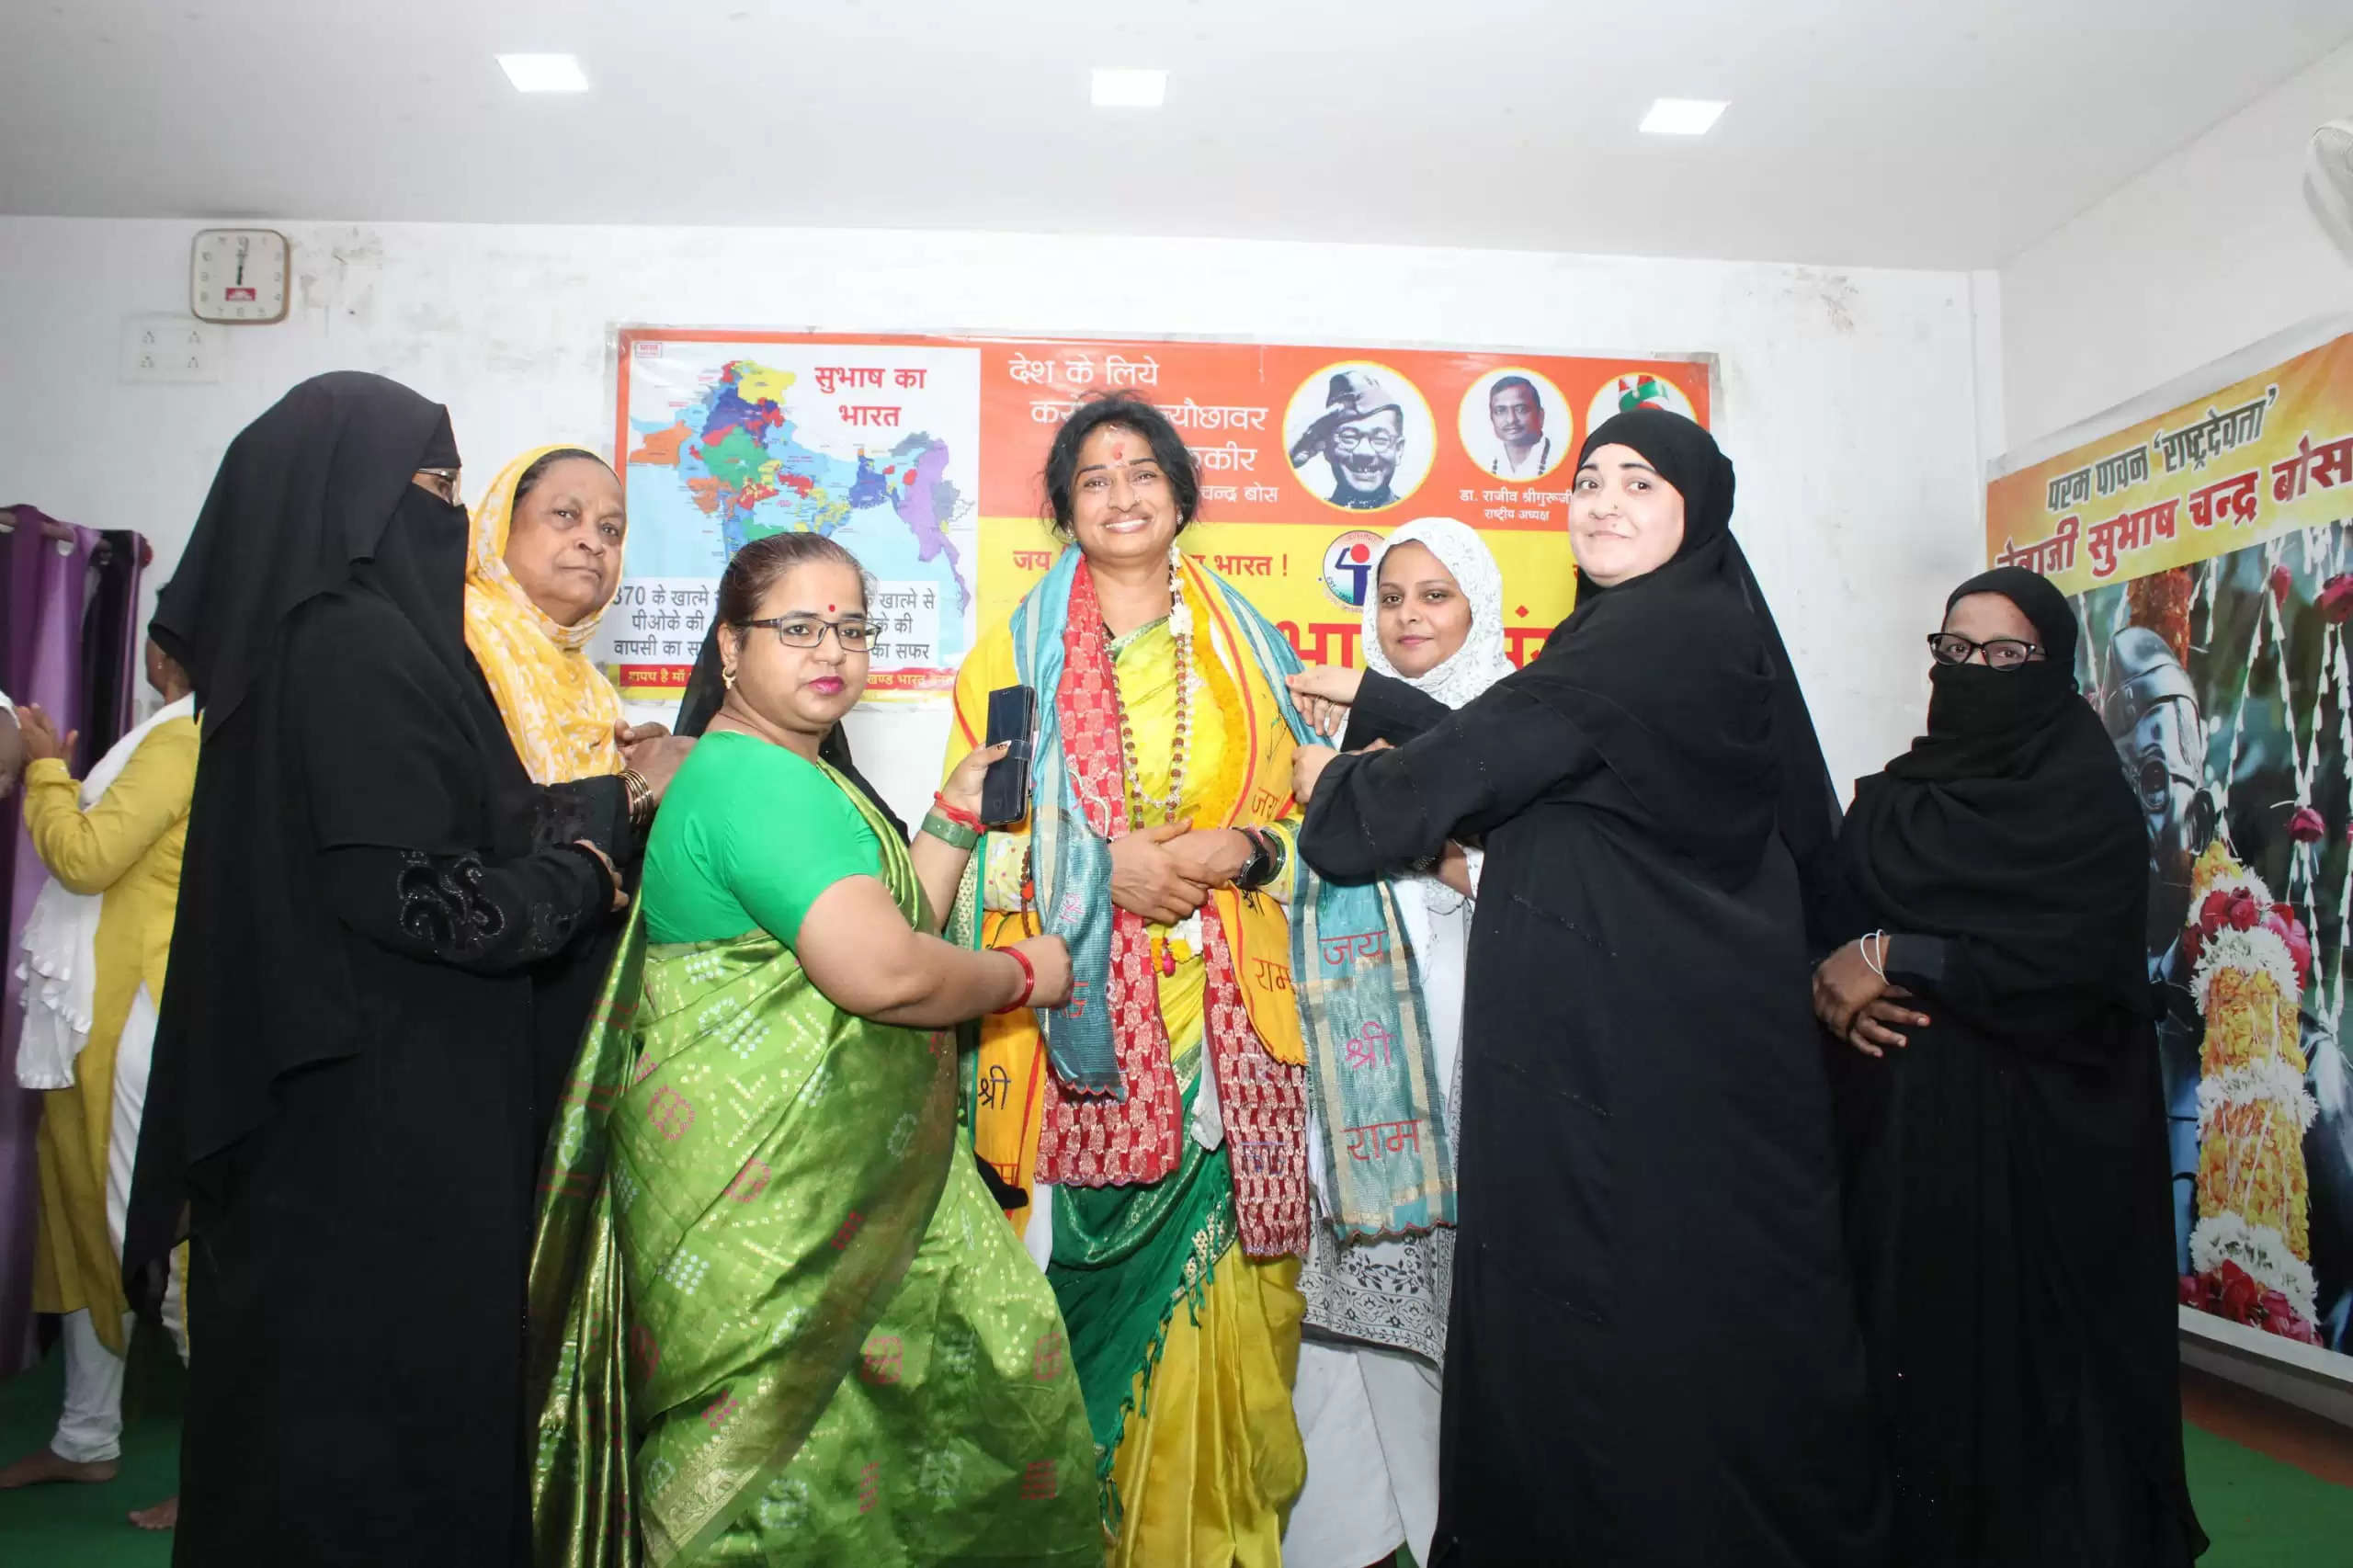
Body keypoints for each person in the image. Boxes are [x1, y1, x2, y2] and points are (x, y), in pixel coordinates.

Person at [1293, 409, 1884, 1566]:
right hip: (1686, 1051)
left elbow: (1462, 776)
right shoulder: (1681, 627)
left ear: (1695, 507)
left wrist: (1338, 792)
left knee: (1611, 1316)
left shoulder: (1643, 638)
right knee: (1696, 1314)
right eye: (1588, 479)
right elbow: (1556, 753)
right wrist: (1382, 703)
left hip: (1623, 1066)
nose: (1603, 501)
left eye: (1640, 482)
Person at [120, 371, 675, 1565]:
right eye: (434, 485)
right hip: (373, 1139)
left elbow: (449, 820)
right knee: (372, 1451)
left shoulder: (330, 648)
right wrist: (589, 857)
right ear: (357, 498)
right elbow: (436, 899)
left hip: (355, 1116)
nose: (448, 511)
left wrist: (593, 804)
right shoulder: (350, 651)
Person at [527, 530, 1099, 1564]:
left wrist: (955, 815)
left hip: (821, 1193)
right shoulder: (759, 782)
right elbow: (881, 973)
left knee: (854, 1469)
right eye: (796, 626)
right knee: (767, 1485)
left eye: (849, 626)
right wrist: (1027, 977)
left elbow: (879, 929)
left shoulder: (795, 772)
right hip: (771, 1212)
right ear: (731, 649)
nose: (829, 647)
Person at [949, 392, 1440, 1563]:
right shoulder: (1010, 661)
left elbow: (1297, 819)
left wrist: (1250, 850)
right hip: (1084, 1030)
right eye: (1093, 477)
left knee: (1245, 1316)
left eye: (1141, 470)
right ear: (1065, 510)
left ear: (1181, 494)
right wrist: (1095, 865)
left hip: (1242, 1027)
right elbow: (971, 843)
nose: (1121, 492)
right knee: (1088, 1299)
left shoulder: (1250, 647)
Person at [1813, 566, 2207, 1566]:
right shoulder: (1888, 804)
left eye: (2004, 655)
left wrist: (1898, 955)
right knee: (1918, 1377)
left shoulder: (2088, 811)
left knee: (2045, 1410)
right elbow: (1823, 943)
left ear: (2053, 670)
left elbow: (2072, 971)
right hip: (1907, 1149)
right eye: (1956, 651)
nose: (1975, 670)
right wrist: (1834, 986)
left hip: (2049, 1155)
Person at [1281, 517, 1511, 1568]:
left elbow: (1547, 883)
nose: (1408, 618)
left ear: (1479, 607)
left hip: (1481, 1042)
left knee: (1461, 1317)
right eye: (1392, 597)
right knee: (1357, 1320)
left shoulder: (1516, 725)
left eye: (1435, 597)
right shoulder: (1328, 729)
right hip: (1363, 1056)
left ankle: (1453, 1530)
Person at [1, 640, 197, 1533]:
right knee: (81, 1221)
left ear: (161, 655)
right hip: (94, 1017)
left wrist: (43, 768)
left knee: (144, 1242)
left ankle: (232, 1463)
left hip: (133, 1016)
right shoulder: (166, 735)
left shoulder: (186, 736)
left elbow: (84, 858)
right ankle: (86, 1438)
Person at [464, 442, 693, 1144]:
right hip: (471, 982)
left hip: (560, 977)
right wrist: (629, 787)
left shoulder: (586, 682)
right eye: (565, 515)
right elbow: (485, 818)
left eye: (612, 530)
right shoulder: (458, 639)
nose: (591, 541)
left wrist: (636, 767)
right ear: (501, 526)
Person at [1290, 370, 1408, 510]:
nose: (1364, 453)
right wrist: (1286, 458)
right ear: (1326, 448)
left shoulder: (1419, 521)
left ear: (1399, 450)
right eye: (1349, 437)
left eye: (1380, 439)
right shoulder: (1306, 517)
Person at [1483, 376, 1554, 481]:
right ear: (1492, 418)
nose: (1511, 419)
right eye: (1500, 411)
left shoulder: (1559, 457)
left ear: (1540, 415)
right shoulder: (1486, 461)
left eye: (1521, 409)